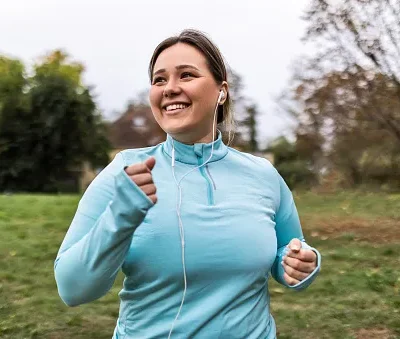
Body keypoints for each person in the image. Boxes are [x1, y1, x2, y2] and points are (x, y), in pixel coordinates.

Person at [54, 29, 321, 339]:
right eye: (159, 80)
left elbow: (287, 252)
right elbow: (73, 290)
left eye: (186, 75)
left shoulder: (263, 174)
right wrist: (120, 217)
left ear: (222, 92)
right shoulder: (125, 172)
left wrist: (300, 265)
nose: (170, 88)